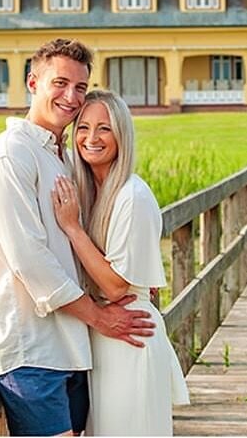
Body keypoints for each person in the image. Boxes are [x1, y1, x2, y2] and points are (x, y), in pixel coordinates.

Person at [0, 39, 156, 437]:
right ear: (33, 82)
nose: (71, 97)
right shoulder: (10, 156)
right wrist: (100, 316)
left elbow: (79, 239)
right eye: (60, 83)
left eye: (80, 87)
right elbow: (30, 262)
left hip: (70, 346)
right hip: (31, 350)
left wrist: (128, 284)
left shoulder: (60, 155)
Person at [51, 90, 190, 436]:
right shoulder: (92, 192)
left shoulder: (132, 196)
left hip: (130, 335)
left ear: (122, 135)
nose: (92, 138)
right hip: (105, 338)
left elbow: (115, 287)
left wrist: (72, 228)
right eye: (83, 127)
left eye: (104, 129)